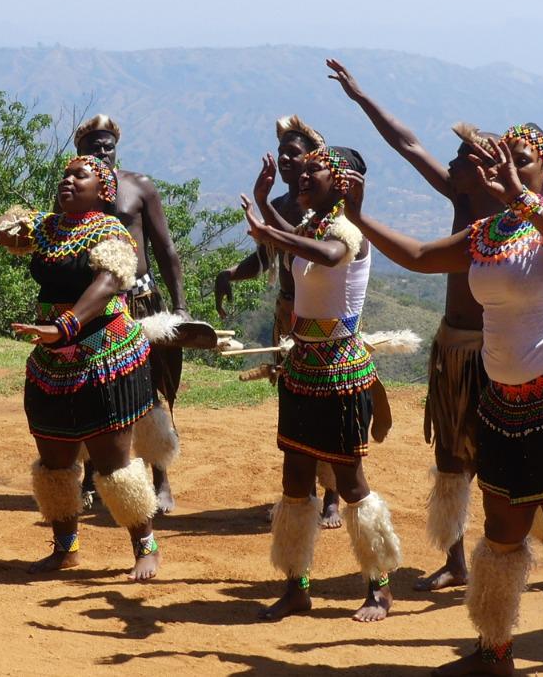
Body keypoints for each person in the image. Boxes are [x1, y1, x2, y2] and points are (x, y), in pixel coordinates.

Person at [343, 125, 543, 676]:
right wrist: (357, 216)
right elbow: (421, 255)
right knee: (501, 536)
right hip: (503, 404)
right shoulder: (488, 232)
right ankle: (494, 648)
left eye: (522, 160)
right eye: (502, 161)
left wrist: (520, 198)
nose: (509, 168)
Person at [326, 58, 507, 592]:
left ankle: (532, 552)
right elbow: (406, 145)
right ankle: (456, 560)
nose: (449, 163)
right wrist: (361, 97)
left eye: (462, 157)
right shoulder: (461, 196)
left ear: (487, 169)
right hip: (453, 349)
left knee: (508, 455)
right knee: (451, 456)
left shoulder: (514, 215)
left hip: (501, 352)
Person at [0, 135, 162, 581]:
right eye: (65, 175)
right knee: (55, 461)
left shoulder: (111, 232)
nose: (67, 181)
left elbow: (108, 283)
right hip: (51, 361)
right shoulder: (45, 228)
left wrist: (64, 326)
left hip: (104, 357)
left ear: (103, 191)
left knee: (112, 462)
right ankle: (66, 547)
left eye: (79, 175)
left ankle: (145, 546)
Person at [244, 144, 403, 624]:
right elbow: (299, 241)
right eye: (306, 167)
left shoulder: (348, 229)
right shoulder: (314, 225)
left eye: (316, 168)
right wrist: (265, 202)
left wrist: (271, 229)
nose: (305, 174)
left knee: (350, 481)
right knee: (295, 478)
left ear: (346, 182)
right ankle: (298, 586)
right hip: (303, 368)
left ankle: (379, 588)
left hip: (339, 371)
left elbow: (329, 255)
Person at [214, 114, 346, 528]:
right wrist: (232, 272)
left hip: (323, 318)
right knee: (298, 402)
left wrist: (266, 209)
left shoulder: (328, 211)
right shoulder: (289, 205)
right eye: (283, 153)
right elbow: (267, 257)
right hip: (288, 314)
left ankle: (332, 496)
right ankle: (303, 488)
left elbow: (303, 248)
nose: (287, 160)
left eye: (296, 153)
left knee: (330, 402)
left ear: (313, 160)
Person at [72, 115, 186, 514]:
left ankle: (160, 478)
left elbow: (166, 251)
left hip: (140, 302)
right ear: (79, 152)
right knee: (91, 387)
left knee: (150, 390)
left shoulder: (139, 187)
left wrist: (181, 306)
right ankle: (92, 477)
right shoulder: (72, 190)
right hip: (94, 304)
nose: (102, 152)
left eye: (107, 146)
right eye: (93, 147)